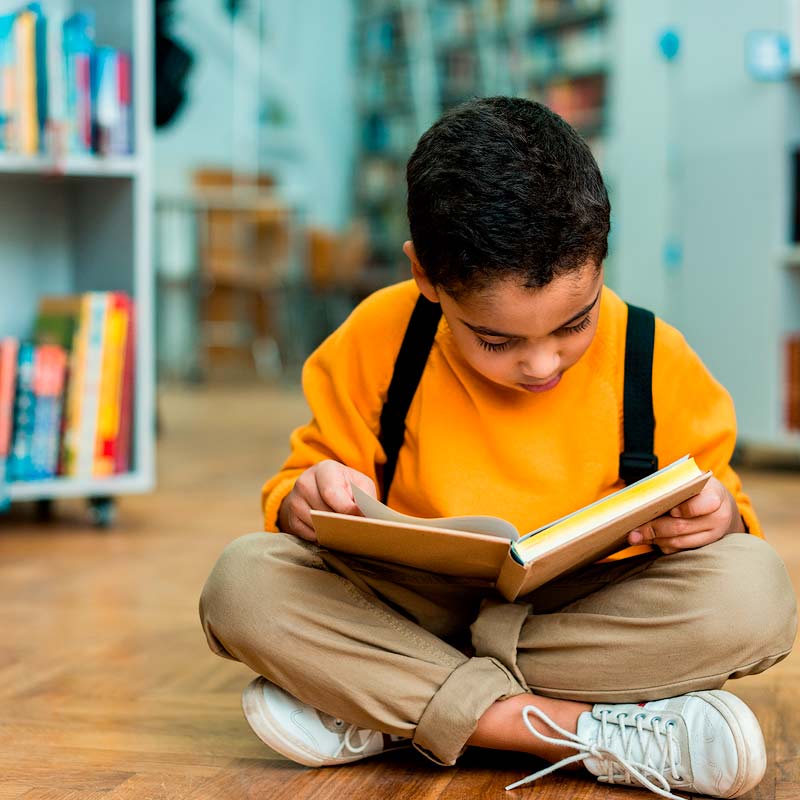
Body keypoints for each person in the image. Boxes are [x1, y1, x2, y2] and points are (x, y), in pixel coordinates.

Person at [200, 97, 797, 800]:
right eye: (497, 341)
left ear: (602, 258)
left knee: (756, 591)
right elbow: (307, 482)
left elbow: (728, 517)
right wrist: (305, 497)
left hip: (583, 613)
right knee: (243, 584)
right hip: (412, 604)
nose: (542, 366)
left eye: (574, 324)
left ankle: (392, 702)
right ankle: (574, 731)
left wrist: (716, 517)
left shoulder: (652, 356)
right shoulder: (379, 339)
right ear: (425, 276)